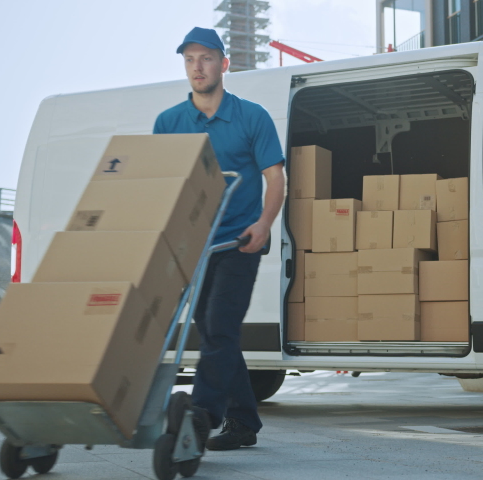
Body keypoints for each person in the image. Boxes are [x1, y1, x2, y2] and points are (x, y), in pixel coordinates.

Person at [153, 27, 286, 451]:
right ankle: (244, 422)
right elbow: (161, 184)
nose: (198, 66)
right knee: (214, 334)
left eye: (207, 58)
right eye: (190, 59)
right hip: (194, 245)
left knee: (221, 329)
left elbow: (275, 178)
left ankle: (200, 417)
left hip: (238, 242)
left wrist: (264, 224)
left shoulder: (252, 117)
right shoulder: (169, 122)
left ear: (224, 64)